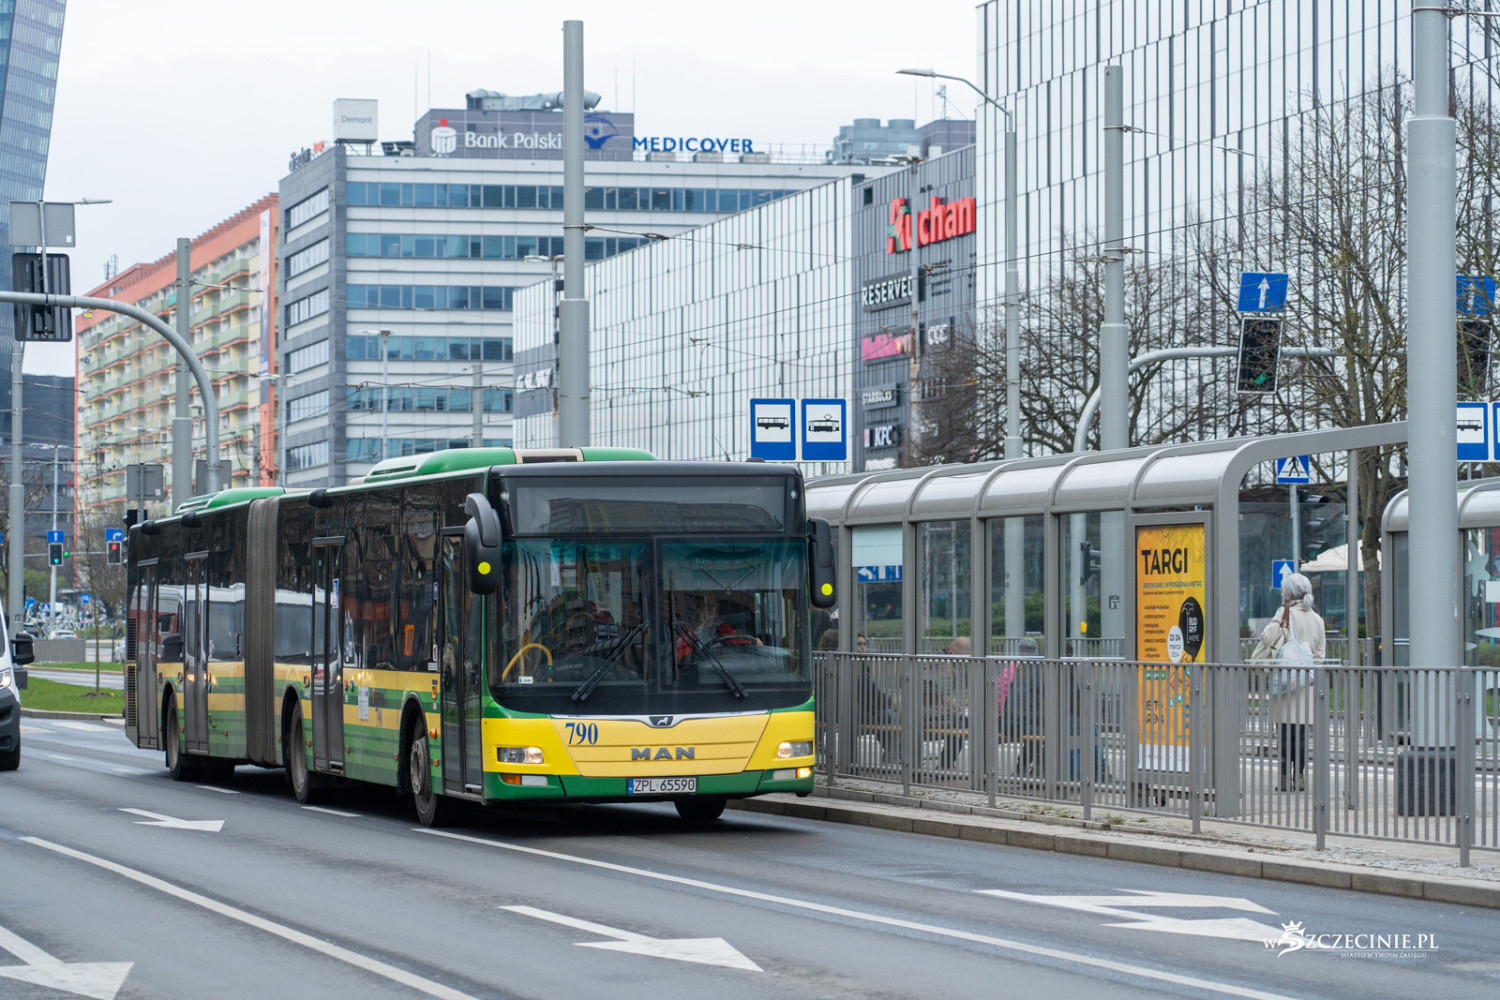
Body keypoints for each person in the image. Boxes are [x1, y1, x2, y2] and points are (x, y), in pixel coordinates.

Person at [1250, 571, 1326, 791]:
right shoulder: (1317, 619)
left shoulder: (1283, 614)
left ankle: (1283, 778)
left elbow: (1267, 639)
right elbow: (1320, 656)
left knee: (1284, 731)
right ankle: (1300, 776)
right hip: (1307, 683)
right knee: (1302, 733)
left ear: (1288, 593)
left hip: (1284, 682)